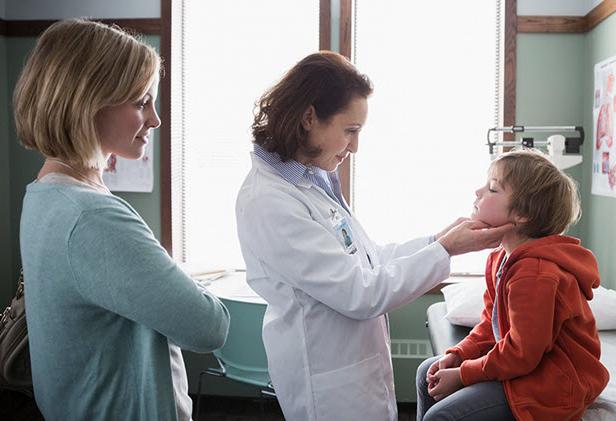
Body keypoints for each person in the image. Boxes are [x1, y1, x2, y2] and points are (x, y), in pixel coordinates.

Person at [235, 51, 511, 420]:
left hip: (354, 369)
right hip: (325, 379)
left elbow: (369, 259)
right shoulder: (270, 201)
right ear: (308, 118)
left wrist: (438, 242)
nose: (355, 146)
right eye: (350, 131)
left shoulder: (310, 182)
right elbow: (360, 293)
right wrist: (446, 249)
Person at [15, 19, 230, 421]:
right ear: (88, 103)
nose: (155, 119)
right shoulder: (91, 216)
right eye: (140, 102)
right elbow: (210, 326)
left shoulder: (45, 192)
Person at [416, 149, 609, 421]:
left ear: (522, 215)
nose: (478, 191)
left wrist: (463, 374)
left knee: (444, 416)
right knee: (429, 372)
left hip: (553, 383)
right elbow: (489, 325)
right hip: (529, 368)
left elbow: (521, 354)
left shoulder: (535, 274)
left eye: (492, 188)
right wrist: (459, 354)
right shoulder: (501, 258)